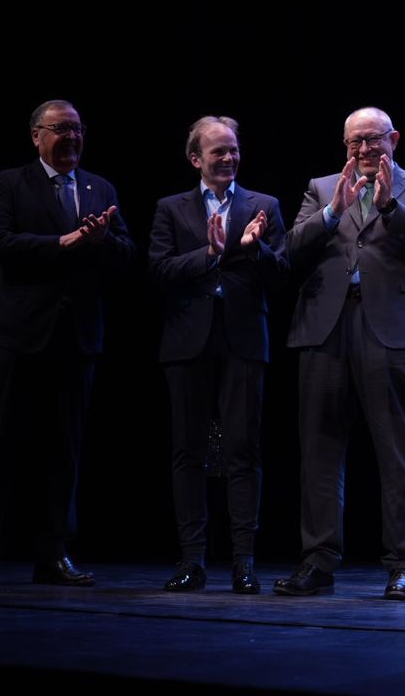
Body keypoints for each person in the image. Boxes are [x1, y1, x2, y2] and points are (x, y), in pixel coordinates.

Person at [274, 107, 405, 601]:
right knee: (320, 452)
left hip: (395, 330)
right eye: (355, 143)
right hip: (326, 327)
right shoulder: (322, 187)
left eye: (373, 140)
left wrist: (391, 206)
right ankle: (319, 561)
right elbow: (291, 249)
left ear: (393, 138)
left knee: (399, 453)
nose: (365, 151)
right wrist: (332, 212)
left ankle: (402, 565)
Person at [0, 100, 134, 586]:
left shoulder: (99, 188)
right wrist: (60, 243)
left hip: (75, 338)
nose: (72, 138)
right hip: (15, 336)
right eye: (61, 129)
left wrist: (100, 241)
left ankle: (53, 553)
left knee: (63, 449)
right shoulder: (10, 183)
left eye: (78, 130)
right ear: (36, 136)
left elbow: (127, 256)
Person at [150, 116, 289, 594]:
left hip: (243, 340)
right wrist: (210, 254)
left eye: (233, 150)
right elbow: (160, 271)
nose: (228, 158)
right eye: (218, 152)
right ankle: (192, 560)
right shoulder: (172, 208)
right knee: (188, 451)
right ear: (196, 159)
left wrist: (252, 249)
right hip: (187, 341)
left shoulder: (263, 205)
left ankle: (244, 562)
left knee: (241, 452)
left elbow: (282, 274)